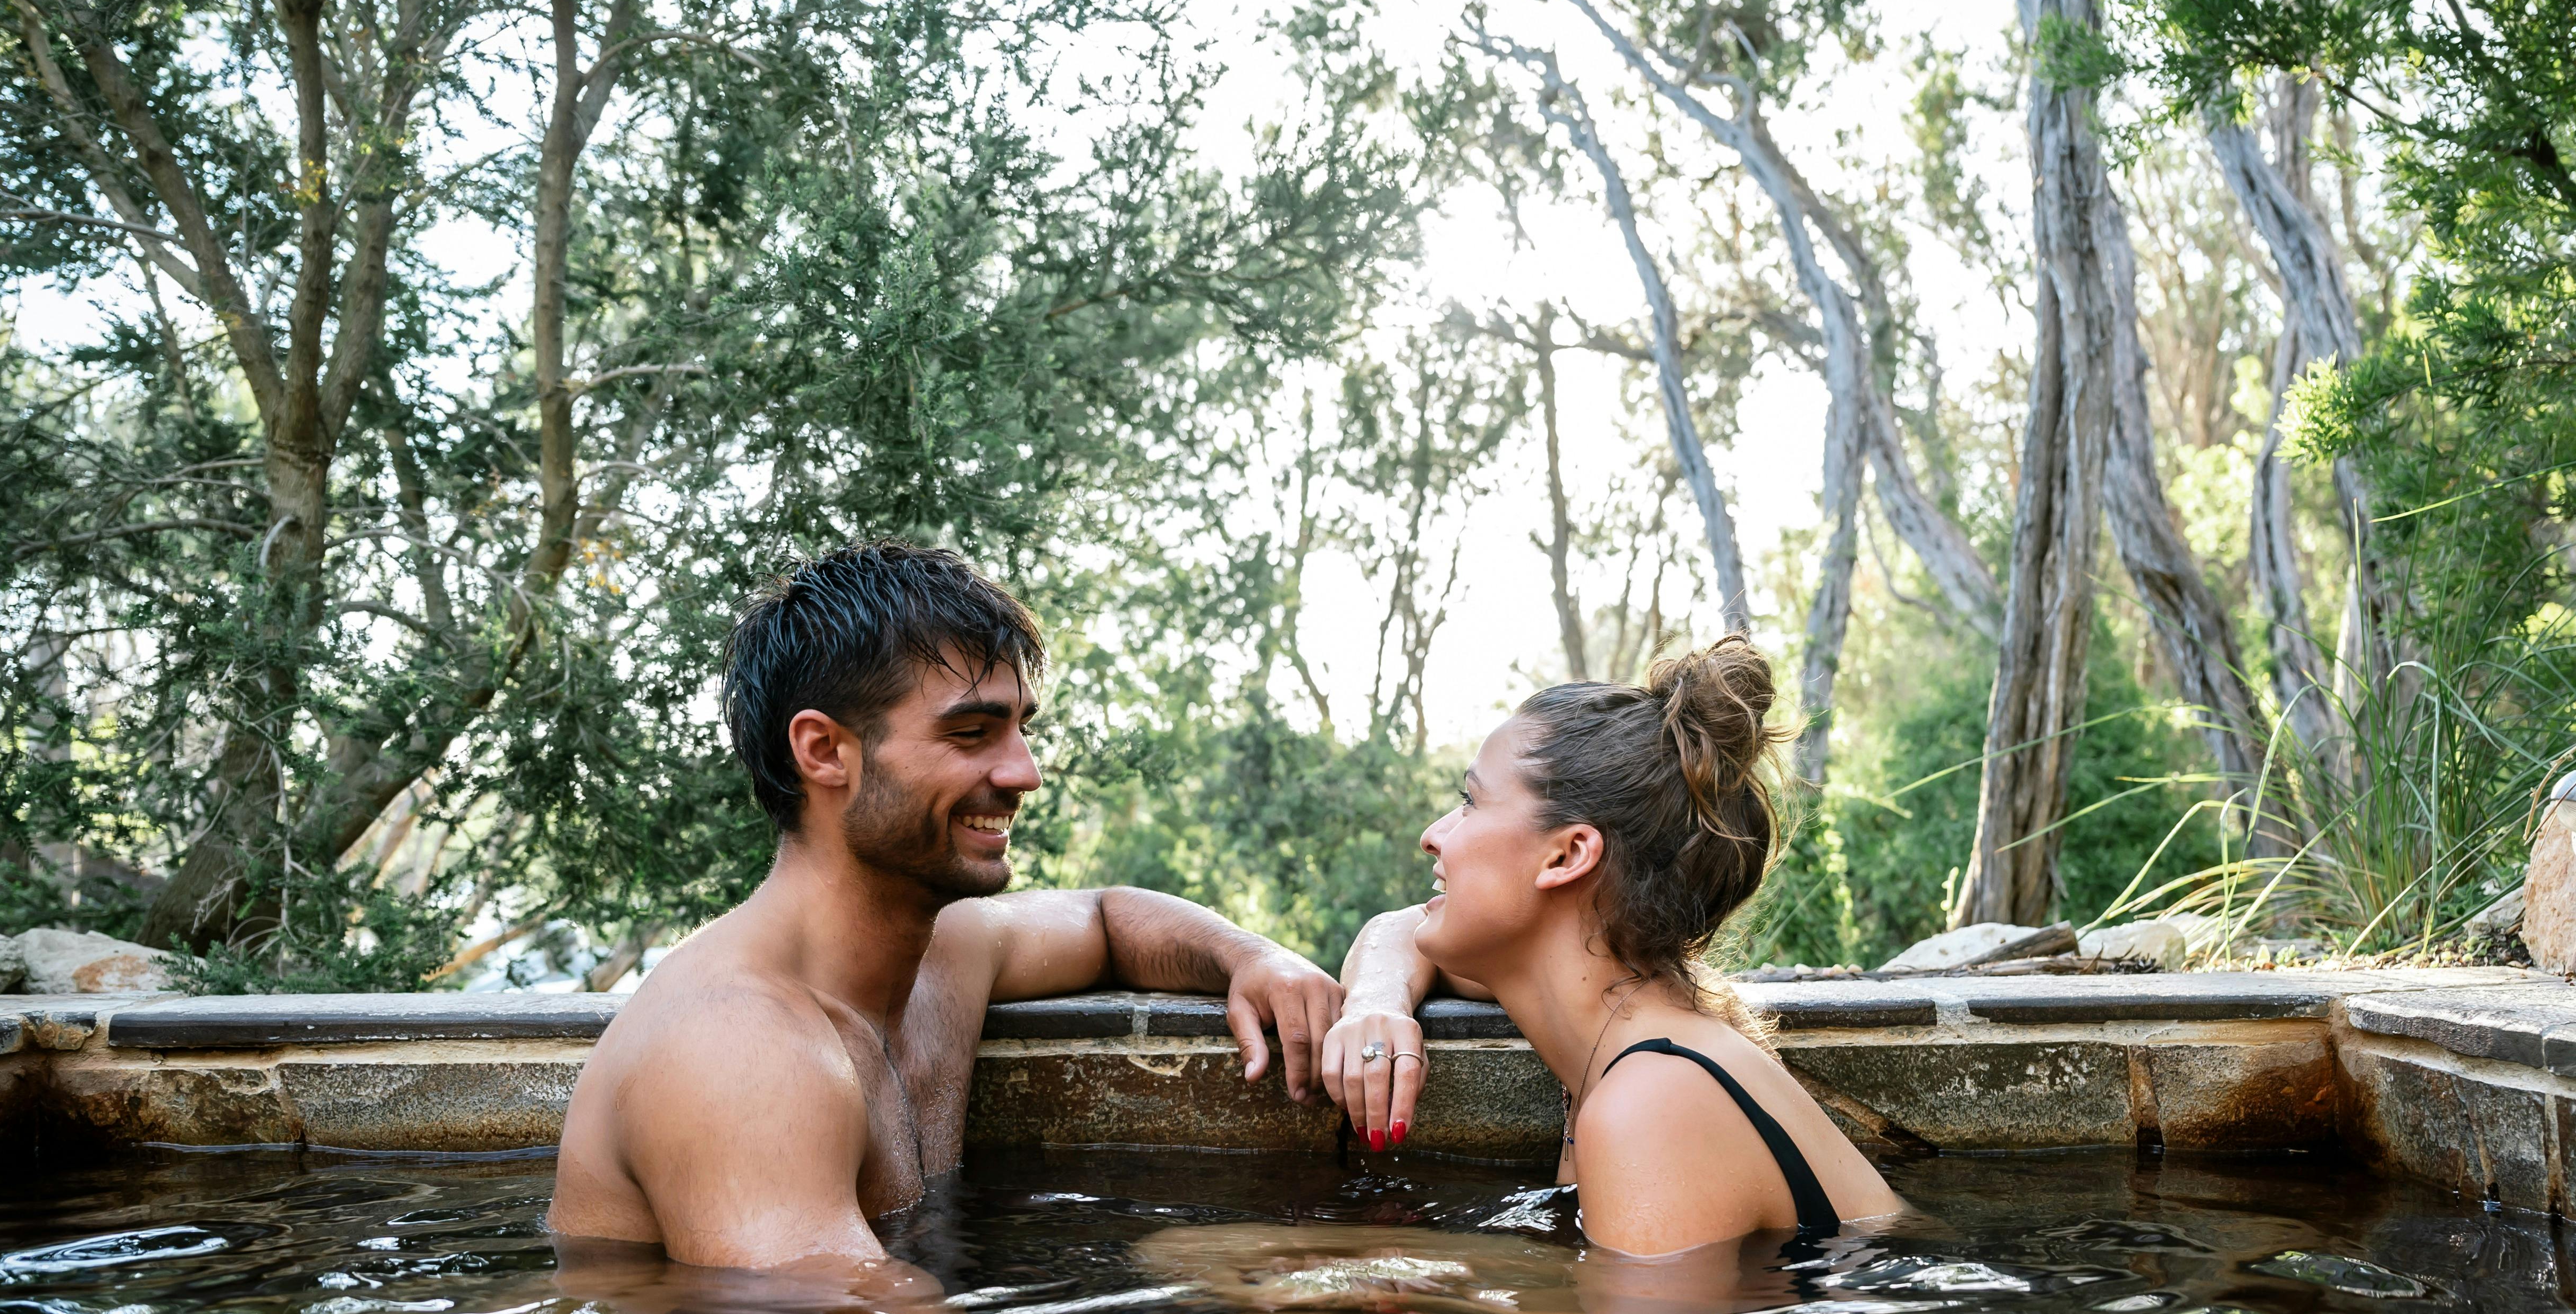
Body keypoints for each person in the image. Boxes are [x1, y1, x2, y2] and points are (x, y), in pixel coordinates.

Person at [551, 542, 1344, 1269]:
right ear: (825, 751)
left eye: (1020, 729)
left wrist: (1251, 956)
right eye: (971, 733)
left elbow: (1105, 917)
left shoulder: (945, 952)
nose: (1024, 773)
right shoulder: (735, 1042)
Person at [1321, 635, 1901, 1255]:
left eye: (1470, 802)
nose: (1432, 836)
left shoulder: (1651, 1104)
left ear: (1568, 855)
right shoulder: (1633, 1027)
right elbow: (1400, 930)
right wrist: (1375, 1003)